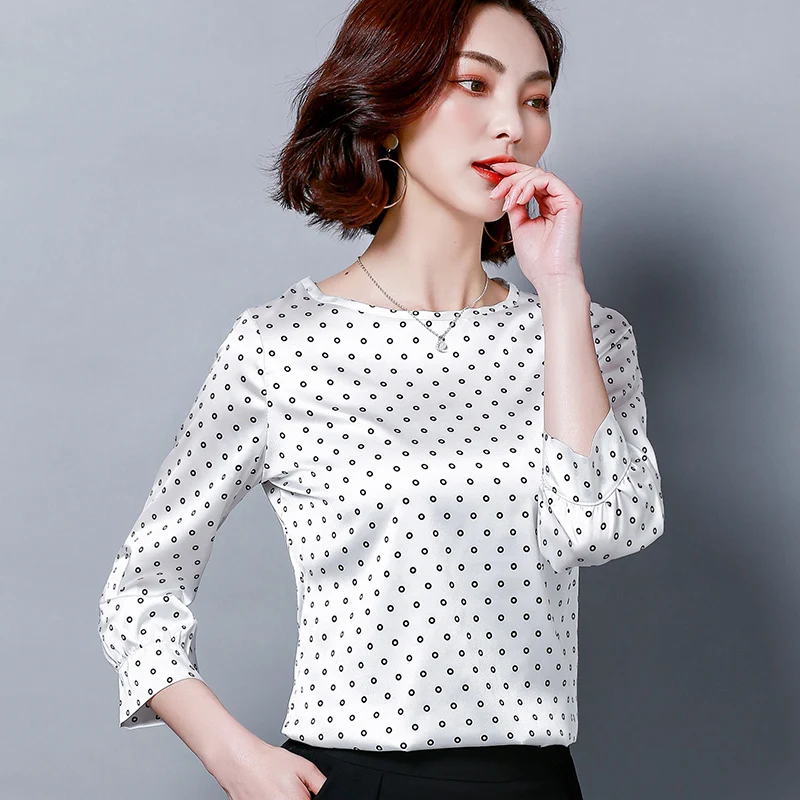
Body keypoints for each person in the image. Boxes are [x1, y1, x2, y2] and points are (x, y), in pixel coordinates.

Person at [97, 1, 666, 798]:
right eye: (475, 85)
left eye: (535, 99)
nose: (513, 126)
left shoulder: (588, 335)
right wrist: (235, 758)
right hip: (354, 777)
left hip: (531, 779)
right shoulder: (280, 345)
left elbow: (604, 527)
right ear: (390, 104)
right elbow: (140, 590)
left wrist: (561, 287)